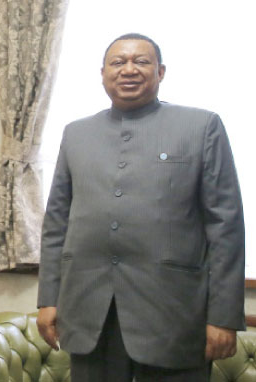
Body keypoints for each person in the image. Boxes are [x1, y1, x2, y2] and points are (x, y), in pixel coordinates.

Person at [37, 33, 245, 381]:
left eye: (141, 61)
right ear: (102, 73)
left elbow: (226, 227)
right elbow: (56, 223)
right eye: (118, 62)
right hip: (90, 314)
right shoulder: (76, 134)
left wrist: (223, 317)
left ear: (161, 72)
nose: (129, 69)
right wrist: (48, 299)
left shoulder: (202, 127)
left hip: (174, 315)